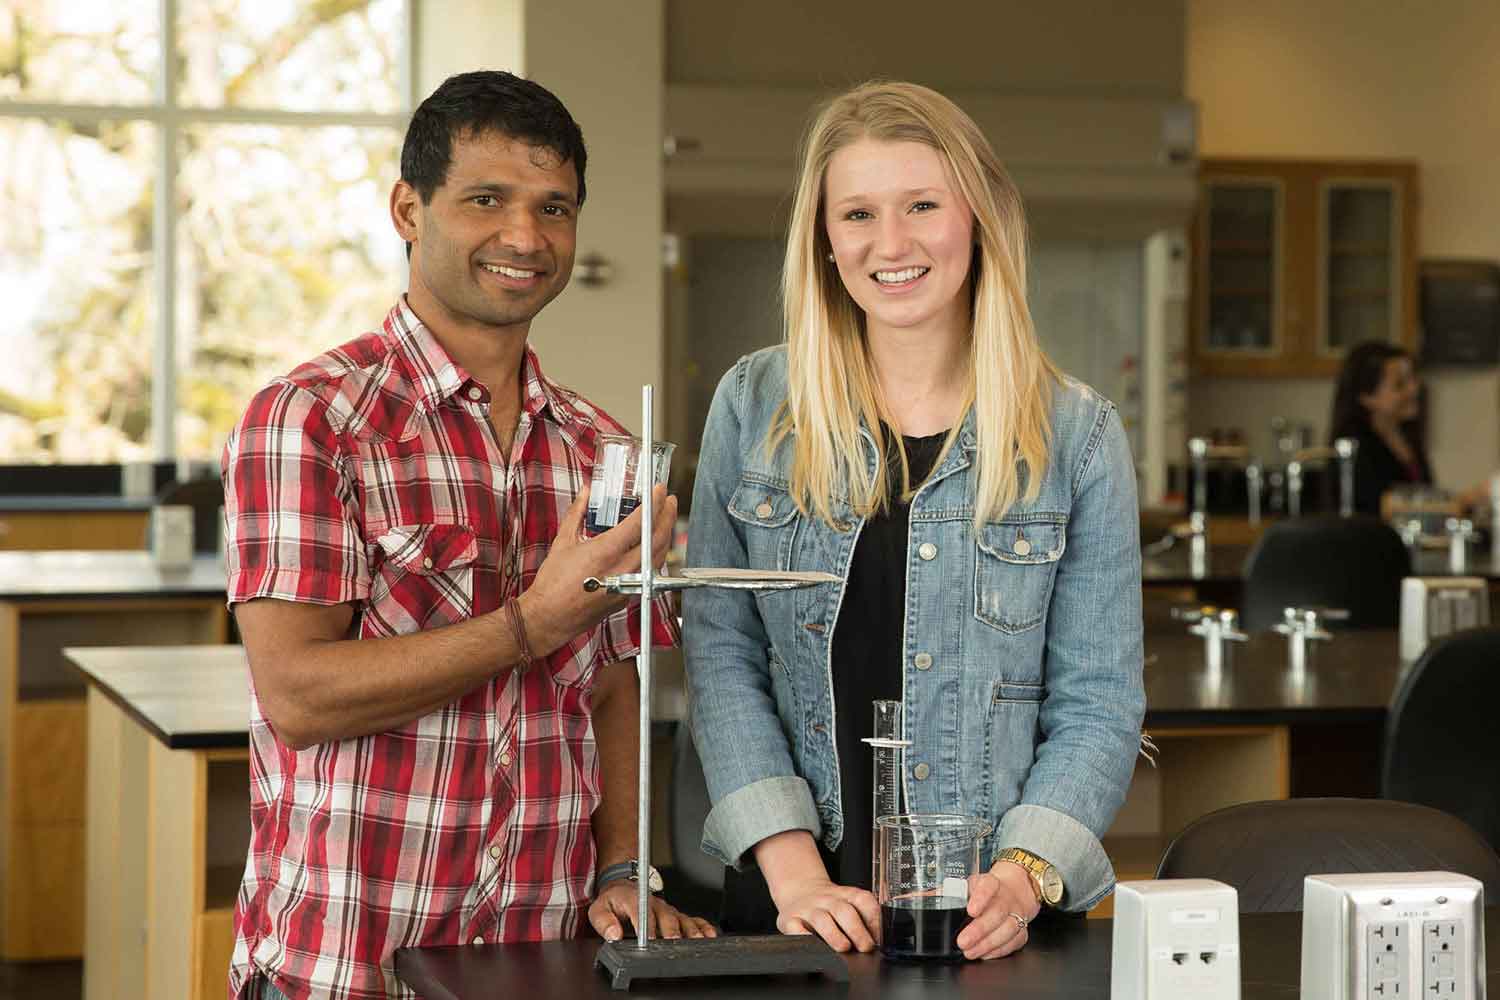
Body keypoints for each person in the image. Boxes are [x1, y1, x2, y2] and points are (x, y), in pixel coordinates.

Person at [221, 70, 713, 1000]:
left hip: (543, 964)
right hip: (346, 967)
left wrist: (621, 869)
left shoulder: (602, 450)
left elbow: (614, 688)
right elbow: (300, 695)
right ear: (409, 208)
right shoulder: (309, 420)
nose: (526, 238)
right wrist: (532, 621)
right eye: (486, 200)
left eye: (554, 208)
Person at [682, 81, 1145, 962]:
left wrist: (1023, 873)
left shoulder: (1077, 436)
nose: (890, 244)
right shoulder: (754, 407)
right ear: (824, 238)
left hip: (994, 924)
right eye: (857, 213)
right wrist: (795, 874)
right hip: (795, 911)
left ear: (979, 216)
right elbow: (721, 659)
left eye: (922, 205)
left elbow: (1099, 701)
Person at [1329, 341, 1433, 517]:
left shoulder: (1408, 439)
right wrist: (1460, 502)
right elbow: (1376, 506)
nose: (1414, 389)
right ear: (1366, 396)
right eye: (1400, 384)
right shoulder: (1352, 447)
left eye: (1413, 379)